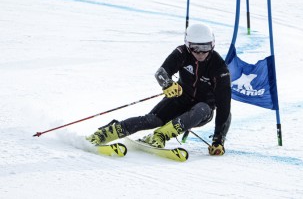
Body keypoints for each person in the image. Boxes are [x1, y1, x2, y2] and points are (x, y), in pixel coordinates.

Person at [87, 23, 232, 156]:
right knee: (152, 120)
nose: (201, 53)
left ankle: (160, 136)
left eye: (205, 48)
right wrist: (167, 84)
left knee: (203, 108)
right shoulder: (181, 53)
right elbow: (161, 72)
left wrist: (218, 140)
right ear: (188, 45)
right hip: (180, 99)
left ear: (212, 45)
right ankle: (107, 132)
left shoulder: (219, 67)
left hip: (202, 112)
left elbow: (224, 106)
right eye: (195, 48)